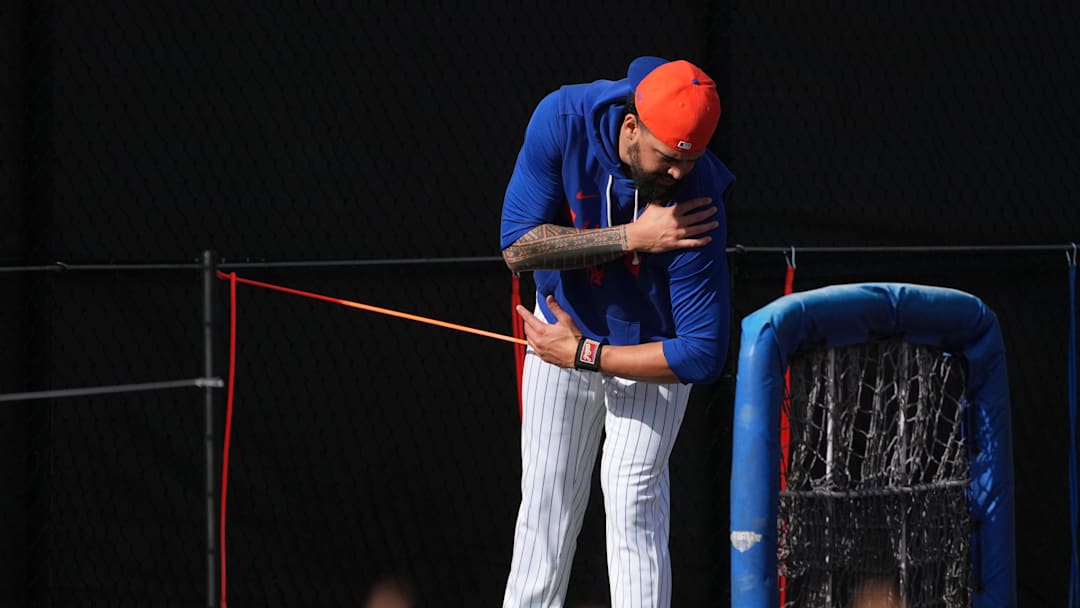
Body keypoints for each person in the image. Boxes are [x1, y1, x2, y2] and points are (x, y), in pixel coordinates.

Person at [499, 57, 734, 608]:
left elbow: (701, 354)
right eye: (668, 159)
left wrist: (585, 355)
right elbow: (517, 248)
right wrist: (632, 236)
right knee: (545, 505)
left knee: (632, 503)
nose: (677, 174)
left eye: (690, 160)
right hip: (561, 333)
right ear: (631, 127)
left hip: (645, 349)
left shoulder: (697, 193)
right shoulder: (563, 118)